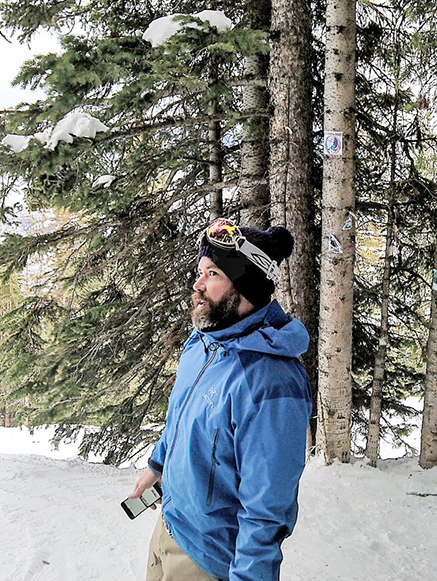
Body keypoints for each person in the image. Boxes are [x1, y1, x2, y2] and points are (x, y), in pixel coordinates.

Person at [126, 219, 314, 581]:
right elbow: (182, 418)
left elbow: (266, 513)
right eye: (200, 272)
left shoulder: (271, 382)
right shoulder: (203, 344)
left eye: (212, 274)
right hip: (170, 525)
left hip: (209, 560)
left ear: (247, 287)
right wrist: (158, 466)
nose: (197, 285)